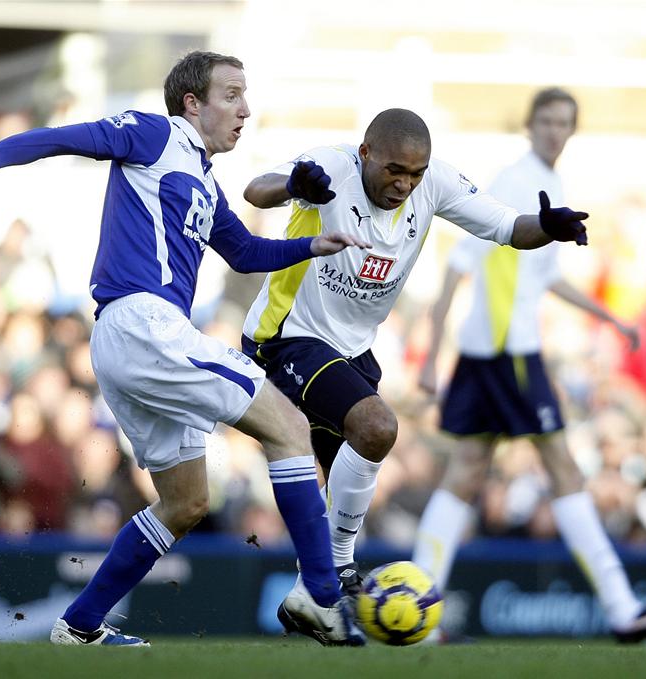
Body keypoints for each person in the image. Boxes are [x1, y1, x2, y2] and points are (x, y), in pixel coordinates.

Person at [0, 51, 370, 647]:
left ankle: (78, 627)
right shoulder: (155, 135)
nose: (245, 109)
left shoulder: (204, 178)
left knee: (185, 502)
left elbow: (244, 254)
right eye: (231, 94)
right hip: (143, 325)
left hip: (134, 339)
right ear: (191, 103)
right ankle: (322, 595)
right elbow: (62, 139)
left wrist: (312, 245)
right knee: (288, 425)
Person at [238, 106, 591, 641]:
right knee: (377, 427)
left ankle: (313, 598)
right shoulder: (329, 167)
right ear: (366, 154)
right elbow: (255, 190)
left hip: (353, 350)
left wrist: (546, 227)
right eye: (393, 171)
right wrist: (293, 183)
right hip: (286, 336)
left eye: (415, 174)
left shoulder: (435, 183)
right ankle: (336, 573)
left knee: (347, 477)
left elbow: (507, 227)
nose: (404, 184)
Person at [412, 87, 646, 643]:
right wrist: (429, 356)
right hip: (509, 353)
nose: (555, 130)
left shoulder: (549, 183)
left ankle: (418, 615)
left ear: (572, 129)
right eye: (546, 120)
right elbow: (460, 265)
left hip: (492, 353)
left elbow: (544, 277)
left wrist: (609, 319)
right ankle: (621, 608)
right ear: (530, 125)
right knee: (563, 469)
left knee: (466, 473)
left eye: (564, 122)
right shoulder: (516, 181)